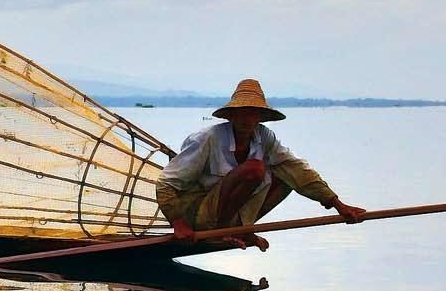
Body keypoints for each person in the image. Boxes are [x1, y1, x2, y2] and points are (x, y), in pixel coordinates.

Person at [156, 78, 366, 251]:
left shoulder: (264, 137)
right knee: (254, 168)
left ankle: (240, 228)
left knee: (287, 176)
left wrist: (338, 205)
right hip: (198, 214)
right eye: (242, 112)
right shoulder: (208, 138)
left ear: (260, 117)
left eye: (253, 113)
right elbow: (166, 183)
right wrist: (179, 224)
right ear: (232, 115)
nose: (247, 118)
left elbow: (296, 168)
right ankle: (227, 230)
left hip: (230, 215)